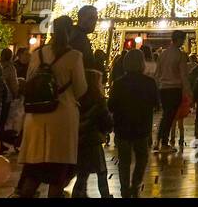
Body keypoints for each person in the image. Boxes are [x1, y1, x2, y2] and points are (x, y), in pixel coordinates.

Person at [16, 16, 88, 198]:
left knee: (33, 174)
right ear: (70, 31)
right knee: (57, 176)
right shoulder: (74, 56)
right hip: (62, 116)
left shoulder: (38, 54)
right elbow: (80, 89)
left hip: (37, 117)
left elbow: (30, 80)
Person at [108, 51, 159, 197]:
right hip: (142, 126)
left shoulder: (118, 83)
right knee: (142, 157)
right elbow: (156, 104)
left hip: (122, 126)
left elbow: (111, 105)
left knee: (124, 160)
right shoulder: (149, 82)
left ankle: (124, 188)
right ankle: (135, 184)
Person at [74, 69, 114, 198]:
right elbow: (106, 121)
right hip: (94, 140)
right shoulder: (99, 101)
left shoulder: (77, 100)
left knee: (82, 172)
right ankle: (105, 195)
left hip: (80, 140)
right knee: (101, 171)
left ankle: (78, 193)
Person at [154, 30, 190, 152]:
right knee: (170, 116)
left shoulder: (163, 54)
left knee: (166, 116)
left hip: (163, 88)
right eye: (183, 39)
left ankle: (158, 140)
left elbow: (157, 73)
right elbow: (183, 75)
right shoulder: (180, 55)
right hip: (175, 88)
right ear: (179, 40)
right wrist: (188, 91)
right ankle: (164, 143)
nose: (184, 42)